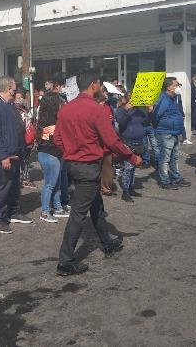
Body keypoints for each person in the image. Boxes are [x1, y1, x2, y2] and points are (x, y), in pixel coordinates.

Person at [54, 69, 142, 276]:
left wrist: (69, 152)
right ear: (94, 85)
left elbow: (57, 138)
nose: (101, 89)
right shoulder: (96, 110)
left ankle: (107, 243)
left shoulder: (66, 109)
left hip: (73, 164)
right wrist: (131, 157)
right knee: (78, 214)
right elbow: (112, 140)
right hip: (88, 166)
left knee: (96, 206)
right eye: (100, 85)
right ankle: (65, 261)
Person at [0, 76, 33, 235]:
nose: (15, 92)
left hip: (16, 152)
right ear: (6, 89)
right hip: (5, 155)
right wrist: (3, 155)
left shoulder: (9, 104)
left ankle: (13, 211)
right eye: (13, 89)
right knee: (1, 187)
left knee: (13, 185)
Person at [151, 77, 191, 190]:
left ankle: (176, 178)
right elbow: (156, 115)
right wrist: (159, 128)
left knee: (175, 157)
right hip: (165, 133)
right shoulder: (163, 99)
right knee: (165, 158)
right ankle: (165, 181)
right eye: (175, 85)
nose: (177, 87)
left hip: (174, 132)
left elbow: (177, 114)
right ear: (168, 87)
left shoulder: (174, 98)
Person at [36, 91, 69, 223]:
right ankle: (45, 211)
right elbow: (57, 139)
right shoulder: (55, 120)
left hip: (48, 153)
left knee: (56, 183)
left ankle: (58, 207)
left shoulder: (42, 118)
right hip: (51, 154)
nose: (61, 102)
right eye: (58, 101)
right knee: (50, 184)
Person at [115, 91, 147, 202]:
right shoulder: (121, 110)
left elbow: (146, 121)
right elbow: (121, 121)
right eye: (131, 98)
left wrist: (150, 111)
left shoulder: (139, 111)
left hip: (139, 141)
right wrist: (126, 109)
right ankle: (125, 191)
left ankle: (131, 187)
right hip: (128, 142)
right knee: (128, 167)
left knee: (134, 167)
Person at [13, 88, 36, 189]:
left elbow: (30, 124)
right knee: (18, 160)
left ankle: (25, 178)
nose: (19, 100)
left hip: (27, 140)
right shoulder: (12, 111)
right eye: (17, 98)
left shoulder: (26, 111)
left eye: (21, 98)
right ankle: (18, 179)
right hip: (17, 140)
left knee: (26, 160)